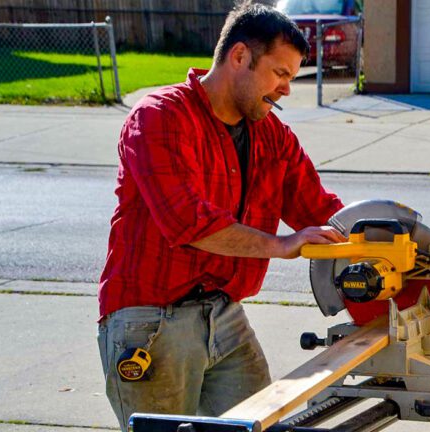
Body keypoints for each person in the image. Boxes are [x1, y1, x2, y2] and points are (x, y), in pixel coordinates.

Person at [96, 3, 346, 430]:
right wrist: (282, 245)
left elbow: (321, 210)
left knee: (261, 423)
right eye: (280, 73)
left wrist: (385, 236)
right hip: (151, 321)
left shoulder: (272, 134)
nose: (287, 88)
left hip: (224, 315)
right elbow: (186, 221)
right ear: (240, 57)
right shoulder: (159, 116)